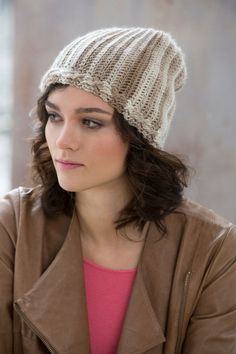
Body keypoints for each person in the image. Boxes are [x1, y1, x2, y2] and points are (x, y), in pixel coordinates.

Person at [0, 27, 235, 354]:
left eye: (91, 122)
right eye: (54, 116)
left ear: (139, 137)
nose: (63, 141)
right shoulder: (11, 226)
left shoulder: (214, 250)